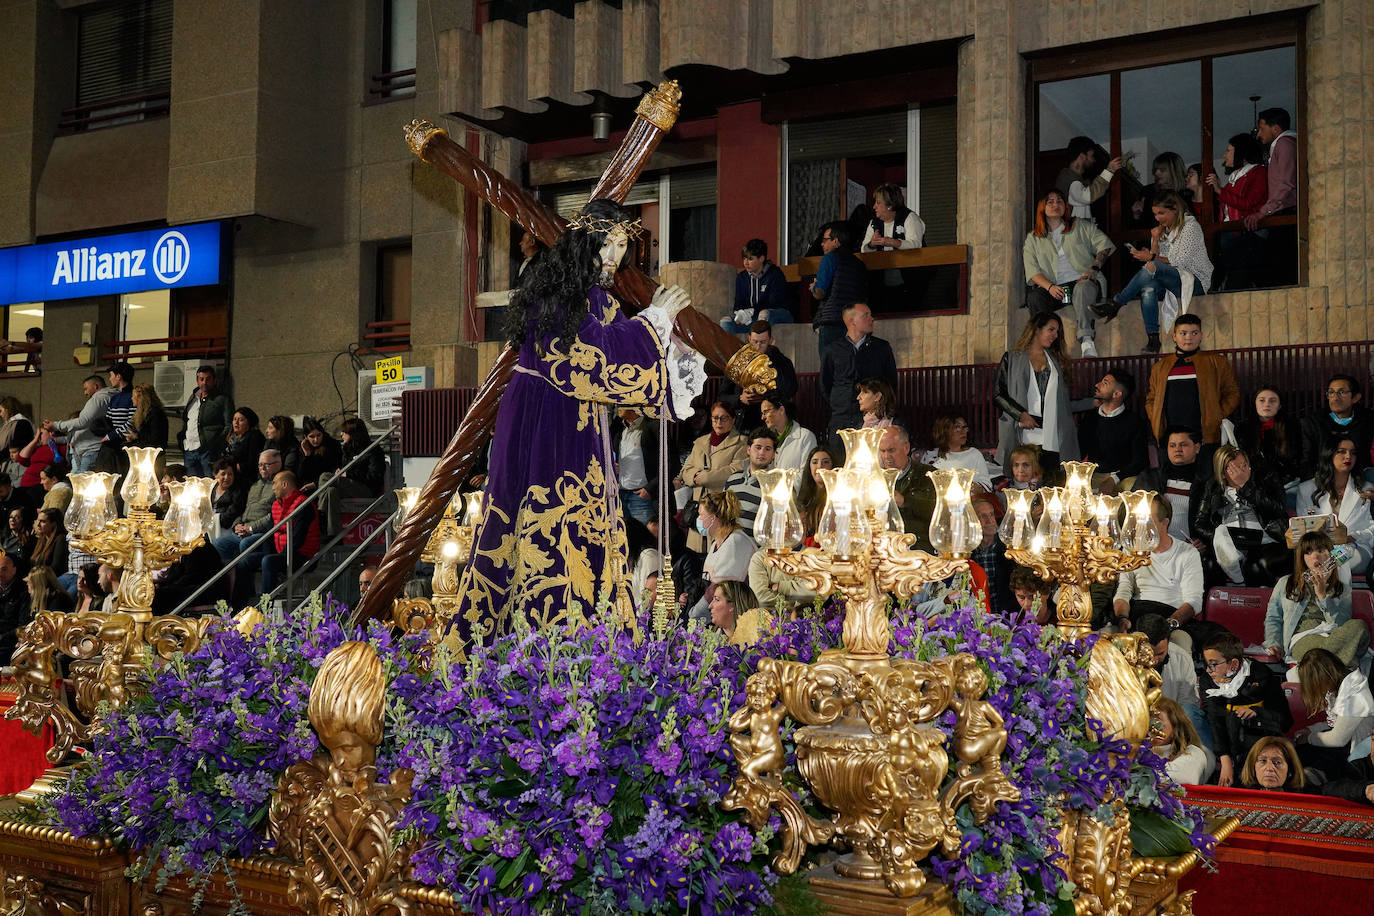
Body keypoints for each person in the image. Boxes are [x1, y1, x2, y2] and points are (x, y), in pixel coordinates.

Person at [458, 199, 703, 636]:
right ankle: (543, 642)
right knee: (546, 528)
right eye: (606, 245)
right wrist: (655, 321)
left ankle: (583, 639)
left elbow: (613, 367)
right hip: (545, 426)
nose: (614, 258)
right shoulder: (558, 295)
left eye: (622, 247)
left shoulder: (595, 299)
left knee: (584, 531)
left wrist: (664, 343)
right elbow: (590, 361)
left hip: (575, 422)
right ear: (584, 242)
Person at [1108, 192, 1213, 354]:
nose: (1158, 218)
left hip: (1195, 281)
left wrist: (1150, 257)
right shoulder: (1162, 231)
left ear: (1175, 209)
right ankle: (1153, 339)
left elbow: (1180, 261)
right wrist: (1155, 240)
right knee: (1148, 288)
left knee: (1152, 266)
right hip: (1172, 281)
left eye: (1161, 213)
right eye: (1155, 214)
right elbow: (1156, 259)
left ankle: (1117, 302)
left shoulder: (1191, 227)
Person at [1022, 189, 1115, 358]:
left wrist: (1093, 269)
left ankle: (1086, 340)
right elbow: (1032, 271)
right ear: (1042, 207)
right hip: (1056, 288)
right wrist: (1049, 287)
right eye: (1050, 201)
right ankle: (1046, 345)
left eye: (1059, 201)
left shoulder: (1080, 225)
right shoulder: (1033, 238)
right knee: (1034, 297)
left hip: (1083, 282)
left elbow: (1105, 245)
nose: (1056, 204)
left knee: (1082, 288)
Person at [1263, 530, 1367, 667]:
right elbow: (1273, 618)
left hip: (1333, 636)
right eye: (1308, 552)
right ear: (1302, 557)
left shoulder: (1341, 587)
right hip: (1303, 639)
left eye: (1320, 550)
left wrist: (1323, 596)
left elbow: (1342, 624)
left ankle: (1330, 663)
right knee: (1320, 653)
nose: (1315, 557)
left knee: (1359, 626)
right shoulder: (1286, 583)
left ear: (1330, 554)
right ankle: (1343, 662)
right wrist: (1274, 644)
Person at [1202, 631, 1293, 788]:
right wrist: (1225, 760)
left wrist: (1257, 712)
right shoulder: (1208, 681)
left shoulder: (1263, 676)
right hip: (1224, 738)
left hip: (1258, 737)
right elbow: (1214, 718)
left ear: (1234, 664)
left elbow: (1284, 720)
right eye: (1206, 664)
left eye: (1213, 664)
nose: (1209, 670)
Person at [995, 312, 1079, 478]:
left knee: (1052, 488)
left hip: (1053, 437)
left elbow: (1064, 403)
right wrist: (1021, 415)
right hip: (1022, 437)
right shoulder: (1011, 358)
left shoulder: (1057, 361)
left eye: (1057, 332)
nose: (1055, 335)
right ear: (1036, 329)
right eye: (1051, 330)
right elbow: (998, 395)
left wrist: (1093, 402)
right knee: (1024, 490)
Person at [1193, 444, 1289, 586]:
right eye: (1235, 468)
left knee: (1253, 561)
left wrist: (1246, 486)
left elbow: (1278, 509)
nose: (1242, 471)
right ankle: (1234, 570)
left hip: (1262, 538)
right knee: (1220, 531)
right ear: (1223, 472)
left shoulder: (1263, 481)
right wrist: (1217, 539)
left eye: (1244, 465)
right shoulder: (1213, 487)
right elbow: (1200, 523)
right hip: (1231, 540)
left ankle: (1237, 578)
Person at [1143, 314, 1239, 447]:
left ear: (1201, 335)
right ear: (1174, 336)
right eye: (1183, 333)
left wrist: (1216, 415)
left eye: (1194, 333)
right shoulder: (1160, 367)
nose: (1189, 337)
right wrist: (1156, 419)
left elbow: (1232, 393)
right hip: (1170, 438)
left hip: (1206, 436)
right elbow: (1151, 400)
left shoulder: (1217, 362)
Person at [1112, 496, 1204, 633]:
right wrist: (1122, 618)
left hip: (1172, 617)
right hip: (1138, 613)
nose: (1141, 527)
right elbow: (1124, 589)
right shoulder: (1131, 549)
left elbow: (1193, 601)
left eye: (1148, 521)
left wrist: (1168, 626)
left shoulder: (1188, 553)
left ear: (1164, 523)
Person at [819, 302, 897, 446]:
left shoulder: (881, 348)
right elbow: (825, 384)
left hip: (874, 419)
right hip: (841, 417)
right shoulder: (832, 350)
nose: (871, 319)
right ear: (851, 321)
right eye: (866, 315)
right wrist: (839, 402)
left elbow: (891, 383)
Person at [1295, 437, 1373, 579]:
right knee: (1321, 559)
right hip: (1318, 551)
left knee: (1339, 558)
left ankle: (1311, 581)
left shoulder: (1367, 488)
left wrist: (1351, 537)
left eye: (1353, 453)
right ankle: (1316, 585)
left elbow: (1372, 528)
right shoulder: (1306, 489)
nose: (1348, 456)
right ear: (1329, 454)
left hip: (1357, 547)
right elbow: (1303, 531)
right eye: (1341, 452)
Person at [214, 449, 283, 606]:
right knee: (218, 544)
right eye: (260, 465)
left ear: (278, 464)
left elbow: (272, 517)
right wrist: (237, 525)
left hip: (264, 533)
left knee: (245, 544)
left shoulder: (280, 485)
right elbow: (243, 510)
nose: (262, 468)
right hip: (244, 529)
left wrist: (250, 528)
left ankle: (244, 593)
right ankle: (225, 592)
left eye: (266, 465)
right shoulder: (255, 485)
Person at [677, 401, 748, 555]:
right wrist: (695, 476)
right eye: (715, 418)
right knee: (696, 554)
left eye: (724, 418)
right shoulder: (701, 442)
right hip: (699, 506)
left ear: (733, 419)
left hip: (721, 506)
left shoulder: (741, 443)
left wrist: (707, 477)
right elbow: (686, 469)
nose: (719, 422)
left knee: (718, 551)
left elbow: (735, 469)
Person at [1205, 133, 1268, 291]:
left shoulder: (1258, 172)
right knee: (1227, 276)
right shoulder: (1234, 178)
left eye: (1229, 150)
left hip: (1246, 235)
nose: (1225, 155)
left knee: (1237, 279)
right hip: (1230, 236)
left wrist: (1220, 190)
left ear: (1242, 152)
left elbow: (1249, 204)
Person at [686, 490, 756, 623]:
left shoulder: (736, 542)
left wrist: (695, 614)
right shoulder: (716, 543)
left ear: (713, 518)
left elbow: (721, 588)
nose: (698, 519)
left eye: (701, 515)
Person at [1076, 368, 1149, 491]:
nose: (1097, 385)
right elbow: (1079, 451)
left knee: (1136, 489)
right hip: (1094, 475)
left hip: (1123, 477)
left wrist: (1114, 478)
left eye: (1105, 383)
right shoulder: (1090, 417)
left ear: (1117, 394)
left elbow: (1140, 461)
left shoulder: (1134, 422)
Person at [717, 321, 797, 432]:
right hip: (742, 422)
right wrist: (740, 399)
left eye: (763, 342)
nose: (758, 347)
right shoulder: (737, 363)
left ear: (771, 340)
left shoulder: (781, 362)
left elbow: (790, 390)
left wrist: (766, 396)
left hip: (771, 422)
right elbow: (722, 396)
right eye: (755, 342)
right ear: (749, 339)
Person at [1134, 427, 1208, 544]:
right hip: (1151, 546)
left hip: (1188, 549)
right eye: (1172, 445)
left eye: (1183, 445)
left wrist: (1203, 542)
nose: (1177, 449)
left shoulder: (1206, 483)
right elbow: (1132, 515)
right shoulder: (1149, 478)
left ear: (1197, 448)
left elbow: (1210, 523)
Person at [860, 183, 926, 311]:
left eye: (878, 203)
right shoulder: (874, 223)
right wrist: (872, 244)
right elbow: (863, 249)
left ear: (890, 205)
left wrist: (894, 242)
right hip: (881, 285)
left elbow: (916, 245)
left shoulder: (910, 218)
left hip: (910, 283)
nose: (874, 207)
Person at [808, 222, 867, 357]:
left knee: (830, 368)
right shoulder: (859, 264)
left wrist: (814, 287)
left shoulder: (829, 258)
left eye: (825, 240)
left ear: (835, 241)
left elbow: (819, 292)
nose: (822, 244)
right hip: (855, 322)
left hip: (832, 321)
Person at [260, 470, 321, 596]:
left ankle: (265, 607)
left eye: (275, 483)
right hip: (280, 552)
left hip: (301, 555)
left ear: (284, 485)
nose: (273, 488)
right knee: (245, 561)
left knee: (268, 561)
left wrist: (279, 557)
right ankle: (239, 608)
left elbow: (297, 540)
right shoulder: (276, 504)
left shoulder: (303, 504)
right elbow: (268, 533)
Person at [1299, 374, 1373, 476]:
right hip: (1322, 478)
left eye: (1342, 392)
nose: (1335, 397)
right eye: (1331, 392)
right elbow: (1307, 461)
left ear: (1355, 398)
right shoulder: (1312, 422)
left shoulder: (1368, 420)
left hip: (1360, 477)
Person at [879, 426, 937, 552]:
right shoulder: (874, 480)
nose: (886, 456)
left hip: (920, 550)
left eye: (891, 450)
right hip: (883, 550)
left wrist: (905, 501)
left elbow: (936, 511)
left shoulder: (929, 475)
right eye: (882, 451)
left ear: (906, 448)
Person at [1233, 386, 1301, 491]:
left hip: (1287, 485)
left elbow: (1296, 461)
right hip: (1252, 485)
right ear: (1254, 403)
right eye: (1261, 400)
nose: (1267, 404)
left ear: (1280, 406)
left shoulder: (1292, 427)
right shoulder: (1242, 429)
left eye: (1273, 401)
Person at [45, 375, 112, 472]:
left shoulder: (98, 399)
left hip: (91, 449)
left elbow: (82, 421)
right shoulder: (108, 397)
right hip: (88, 449)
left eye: (86, 389)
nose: (85, 393)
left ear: (95, 386)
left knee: (83, 483)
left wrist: (56, 425)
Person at [723, 239, 791, 331]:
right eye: (744, 258)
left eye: (750, 259)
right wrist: (740, 314)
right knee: (726, 321)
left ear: (761, 259)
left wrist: (751, 311)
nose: (746, 263)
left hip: (777, 314)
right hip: (751, 317)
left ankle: (759, 344)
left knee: (764, 314)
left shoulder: (775, 274)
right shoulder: (741, 277)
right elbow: (738, 303)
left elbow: (775, 303)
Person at [178, 365, 232, 478]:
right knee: (192, 485)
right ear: (197, 381)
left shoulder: (222, 399)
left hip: (208, 450)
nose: (204, 382)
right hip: (189, 448)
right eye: (201, 379)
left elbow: (229, 424)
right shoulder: (193, 397)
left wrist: (217, 443)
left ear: (214, 380)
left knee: (210, 484)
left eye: (208, 379)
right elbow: (187, 420)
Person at [1054, 136, 1122, 223]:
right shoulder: (1066, 178)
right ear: (1082, 156)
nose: (1093, 160)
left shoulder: (1081, 181)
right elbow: (1087, 196)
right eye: (1092, 156)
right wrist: (1109, 171)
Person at [611, 408, 659, 530]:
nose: (618, 406)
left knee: (645, 540)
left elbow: (670, 461)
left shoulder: (652, 426)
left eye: (622, 402)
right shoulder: (619, 428)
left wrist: (650, 488)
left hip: (642, 497)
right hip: (620, 495)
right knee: (625, 540)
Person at [725, 428, 777, 538]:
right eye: (758, 447)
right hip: (727, 544)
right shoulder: (732, 479)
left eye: (767, 449)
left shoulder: (776, 486)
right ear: (748, 450)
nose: (762, 452)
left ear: (773, 455)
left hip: (756, 550)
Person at [1151, 696, 1213, 786]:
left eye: (1157, 720)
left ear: (1176, 727)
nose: (1151, 726)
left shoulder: (1194, 752)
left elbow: (1180, 778)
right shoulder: (1137, 750)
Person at [931, 411, 994, 494]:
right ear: (944, 430)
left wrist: (970, 485)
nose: (963, 431)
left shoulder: (974, 454)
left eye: (964, 427)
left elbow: (987, 486)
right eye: (957, 427)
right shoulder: (932, 456)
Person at [969, 495, 1011, 614]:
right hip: (977, 619)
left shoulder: (1008, 550)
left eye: (991, 514)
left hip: (1005, 618)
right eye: (983, 516)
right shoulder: (966, 553)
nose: (990, 521)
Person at [760, 396, 816, 481]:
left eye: (766, 412)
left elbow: (806, 474)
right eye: (762, 413)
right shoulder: (766, 438)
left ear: (781, 410)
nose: (763, 417)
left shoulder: (805, 437)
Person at [1129, 151, 1191, 226]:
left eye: (1162, 170)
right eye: (1155, 170)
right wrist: (1136, 215)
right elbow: (1138, 229)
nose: (1156, 173)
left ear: (1174, 171)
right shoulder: (1148, 192)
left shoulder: (1187, 194)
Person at [797, 445, 836, 540]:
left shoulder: (837, 497)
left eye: (825, 462)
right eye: (815, 462)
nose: (820, 466)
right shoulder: (803, 496)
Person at [100, 362, 136, 464]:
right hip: (114, 443)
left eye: (111, 375)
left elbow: (131, 423)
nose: (109, 379)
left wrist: (110, 436)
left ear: (118, 376)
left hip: (126, 444)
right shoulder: (114, 398)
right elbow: (108, 420)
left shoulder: (133, 397)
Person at [1239, 737, 1305, 793]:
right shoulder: (1239, 799)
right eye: (1263, 761)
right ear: (1253, 767)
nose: (1269, 768)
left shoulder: (1305, 803)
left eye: (1277, 762)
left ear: (1290, 769)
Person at [296, 417, 343, 494]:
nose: (316, 440)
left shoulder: (332, 445)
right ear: (305, 437)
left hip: (325, 484)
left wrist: (315, 483)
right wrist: (307, 455)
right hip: (307, 485)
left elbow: (332, 470)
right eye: (312, 436)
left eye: (319, 435)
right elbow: (301, 475)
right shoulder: (303, 447)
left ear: (323, 434)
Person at [0, 550, 31, 664]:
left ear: (14, 570)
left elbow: (22, 625)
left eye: (4, 569)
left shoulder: (23, 591)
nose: (0, 573)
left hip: (9, 641)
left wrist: (3, 637)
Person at [224, 407, 266, 484]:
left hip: (248, 479)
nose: (236, 423)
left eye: (241, 420)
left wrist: (235, 467)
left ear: (249, 422)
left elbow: (253, 463)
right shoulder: (232, 438)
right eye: (234, 419)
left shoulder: (255, 437)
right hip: (232, 476)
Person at [123, 383, 169, 449]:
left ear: (140, 397)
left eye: (133, 396)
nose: (131, 398)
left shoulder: (155, 414)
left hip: (153, 454)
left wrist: (136, 436)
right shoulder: (145, 414)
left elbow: (155, 439)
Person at [29, 508, 67, 577]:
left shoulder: (61, 539)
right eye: (38, 520)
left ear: (53, 524)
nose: (38, 524)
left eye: (42, 521)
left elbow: (56, 568)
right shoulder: (41, 539)